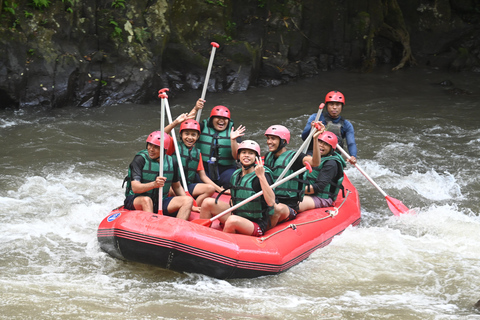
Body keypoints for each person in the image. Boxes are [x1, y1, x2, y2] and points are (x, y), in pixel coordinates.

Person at [199, 140, 275, 236]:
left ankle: (224, 244)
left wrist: (261, 176)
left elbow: (271, 202)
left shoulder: (262, 175)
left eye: (251, 153)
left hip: (256, 223)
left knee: (232, 220)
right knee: (207, 202)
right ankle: (201, 235)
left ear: (256, 157)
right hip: (238, 215)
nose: (246, 155)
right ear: (238, 155)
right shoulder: (236, 174)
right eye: (243, 152)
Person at [263, 123, 323, 227]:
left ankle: (263, 233)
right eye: (268, 138)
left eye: (273, 139)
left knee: (277, 209)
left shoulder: (295, 158)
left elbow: (315, 162)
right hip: (269, 201)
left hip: (288, 206)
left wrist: (315, 139)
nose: (269, 142)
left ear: (283, 141)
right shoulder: (268, 156)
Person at [123, 131, 193, 220]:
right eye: (150, 145)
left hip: (160, 202)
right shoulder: (140, 159)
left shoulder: (172, 162)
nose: (151, 149)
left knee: (188, 200)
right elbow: (135, 188)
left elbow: (177, 186)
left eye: (156, 147)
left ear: (164, 150)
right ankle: (150, 228)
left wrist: (191, 206)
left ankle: (177, 230)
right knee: (147, 200)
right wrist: (154, 184)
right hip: (136, 199)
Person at [164, 115, 225, 206]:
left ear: (198, 137)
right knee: (172, 192)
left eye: (193, 135)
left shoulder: (197, 153)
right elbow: (161, 135)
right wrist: (175, 122)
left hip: (187, 185)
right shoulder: (174, 146)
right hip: (173, 186)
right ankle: (188, 205)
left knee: (210, 189)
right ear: (181, 134)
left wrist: (220, 190)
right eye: (187, 134)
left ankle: (196, 207)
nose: (190, 137)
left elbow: (203, 176)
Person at [301, 91, 357, 164]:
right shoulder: (316, 117)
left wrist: (353, 156)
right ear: (326, 106)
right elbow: (304, 138)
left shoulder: (346, 125)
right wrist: (311, 129)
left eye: (337, 105)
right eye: (331, 104)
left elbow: (351, 143)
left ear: (342, 107)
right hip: (313, 153)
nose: (334, 107)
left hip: (333, 156)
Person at [195, 105, 244, 188]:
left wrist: (233, 140)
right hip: (204, 169)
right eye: (218, 117)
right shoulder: (201, 127)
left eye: (224, 118)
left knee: (233, 179)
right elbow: (187, 123)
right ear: (212, 119)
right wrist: (196, 108)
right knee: (196, 178)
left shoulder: (235, 133)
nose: (221, 120)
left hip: (225, 169)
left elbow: (236, 157)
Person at [299, 131, 346, 212]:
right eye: (320, 142)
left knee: (294, 203)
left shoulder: (331, 163)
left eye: (326, 144)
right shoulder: (313, 158)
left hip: (321, 197)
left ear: (332, 148)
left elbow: (319, 187)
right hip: (307, 192)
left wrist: (297, 190)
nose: (321, 145)